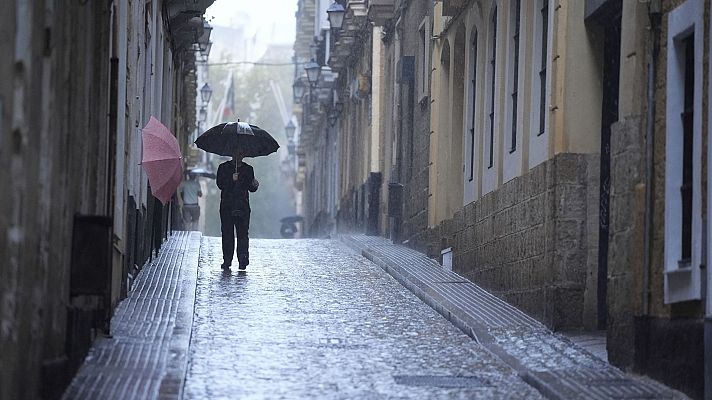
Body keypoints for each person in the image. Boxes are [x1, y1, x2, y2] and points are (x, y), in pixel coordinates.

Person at [216, 148, 259, 270]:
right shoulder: (223, 168)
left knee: (243, 234)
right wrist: (231, 179)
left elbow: (250, 188)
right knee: (227, 233)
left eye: (240, 153)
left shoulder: (248, 169)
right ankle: (227, 260)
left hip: (242, 206)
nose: (238, 156)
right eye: (236, 153)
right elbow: (220, 184)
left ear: (244, 155)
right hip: (227, 205)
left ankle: (243, 259)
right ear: (232, 154)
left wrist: (254, 185)